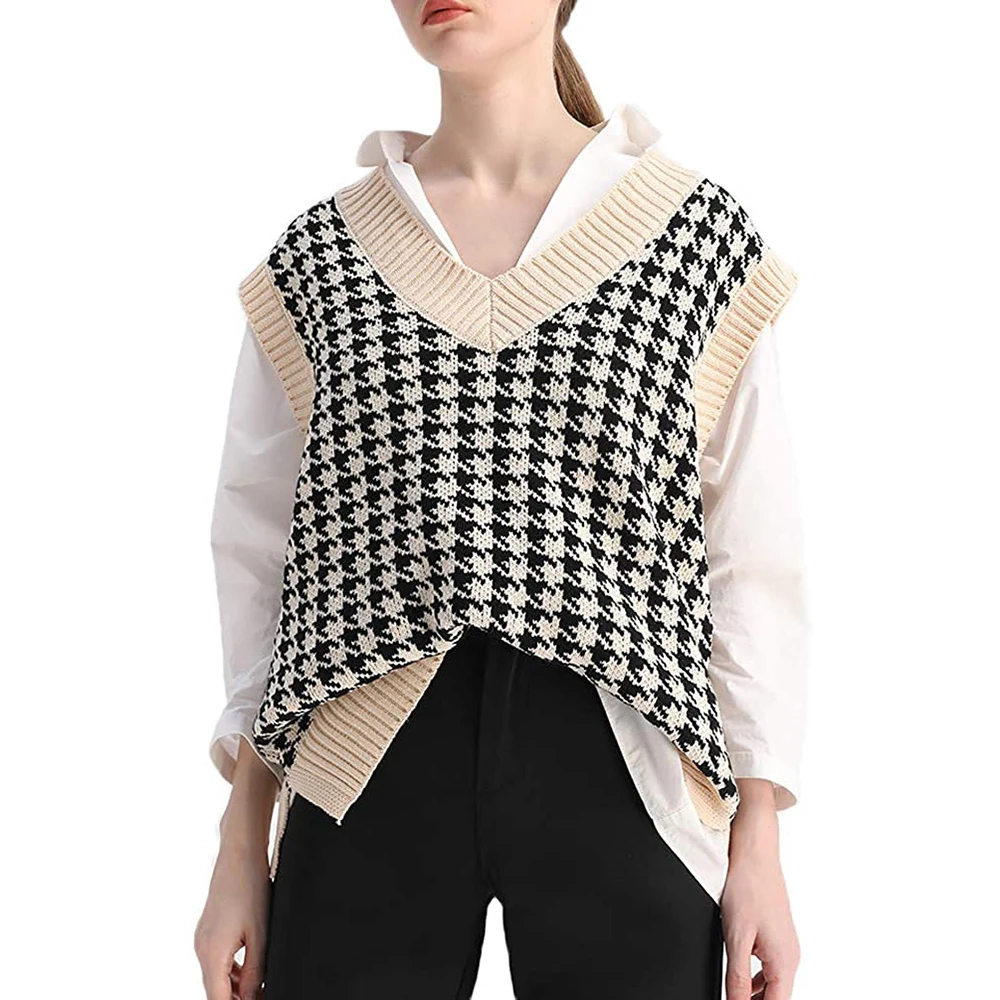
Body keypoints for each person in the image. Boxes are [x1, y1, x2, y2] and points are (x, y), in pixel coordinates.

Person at [194, 1, 809, 998]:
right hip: (360, 770)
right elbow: (263, 561)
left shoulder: (693, 239)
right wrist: (239, 843)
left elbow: (752, 554)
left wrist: (760, 841)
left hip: (631, 767)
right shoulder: (322, 260)